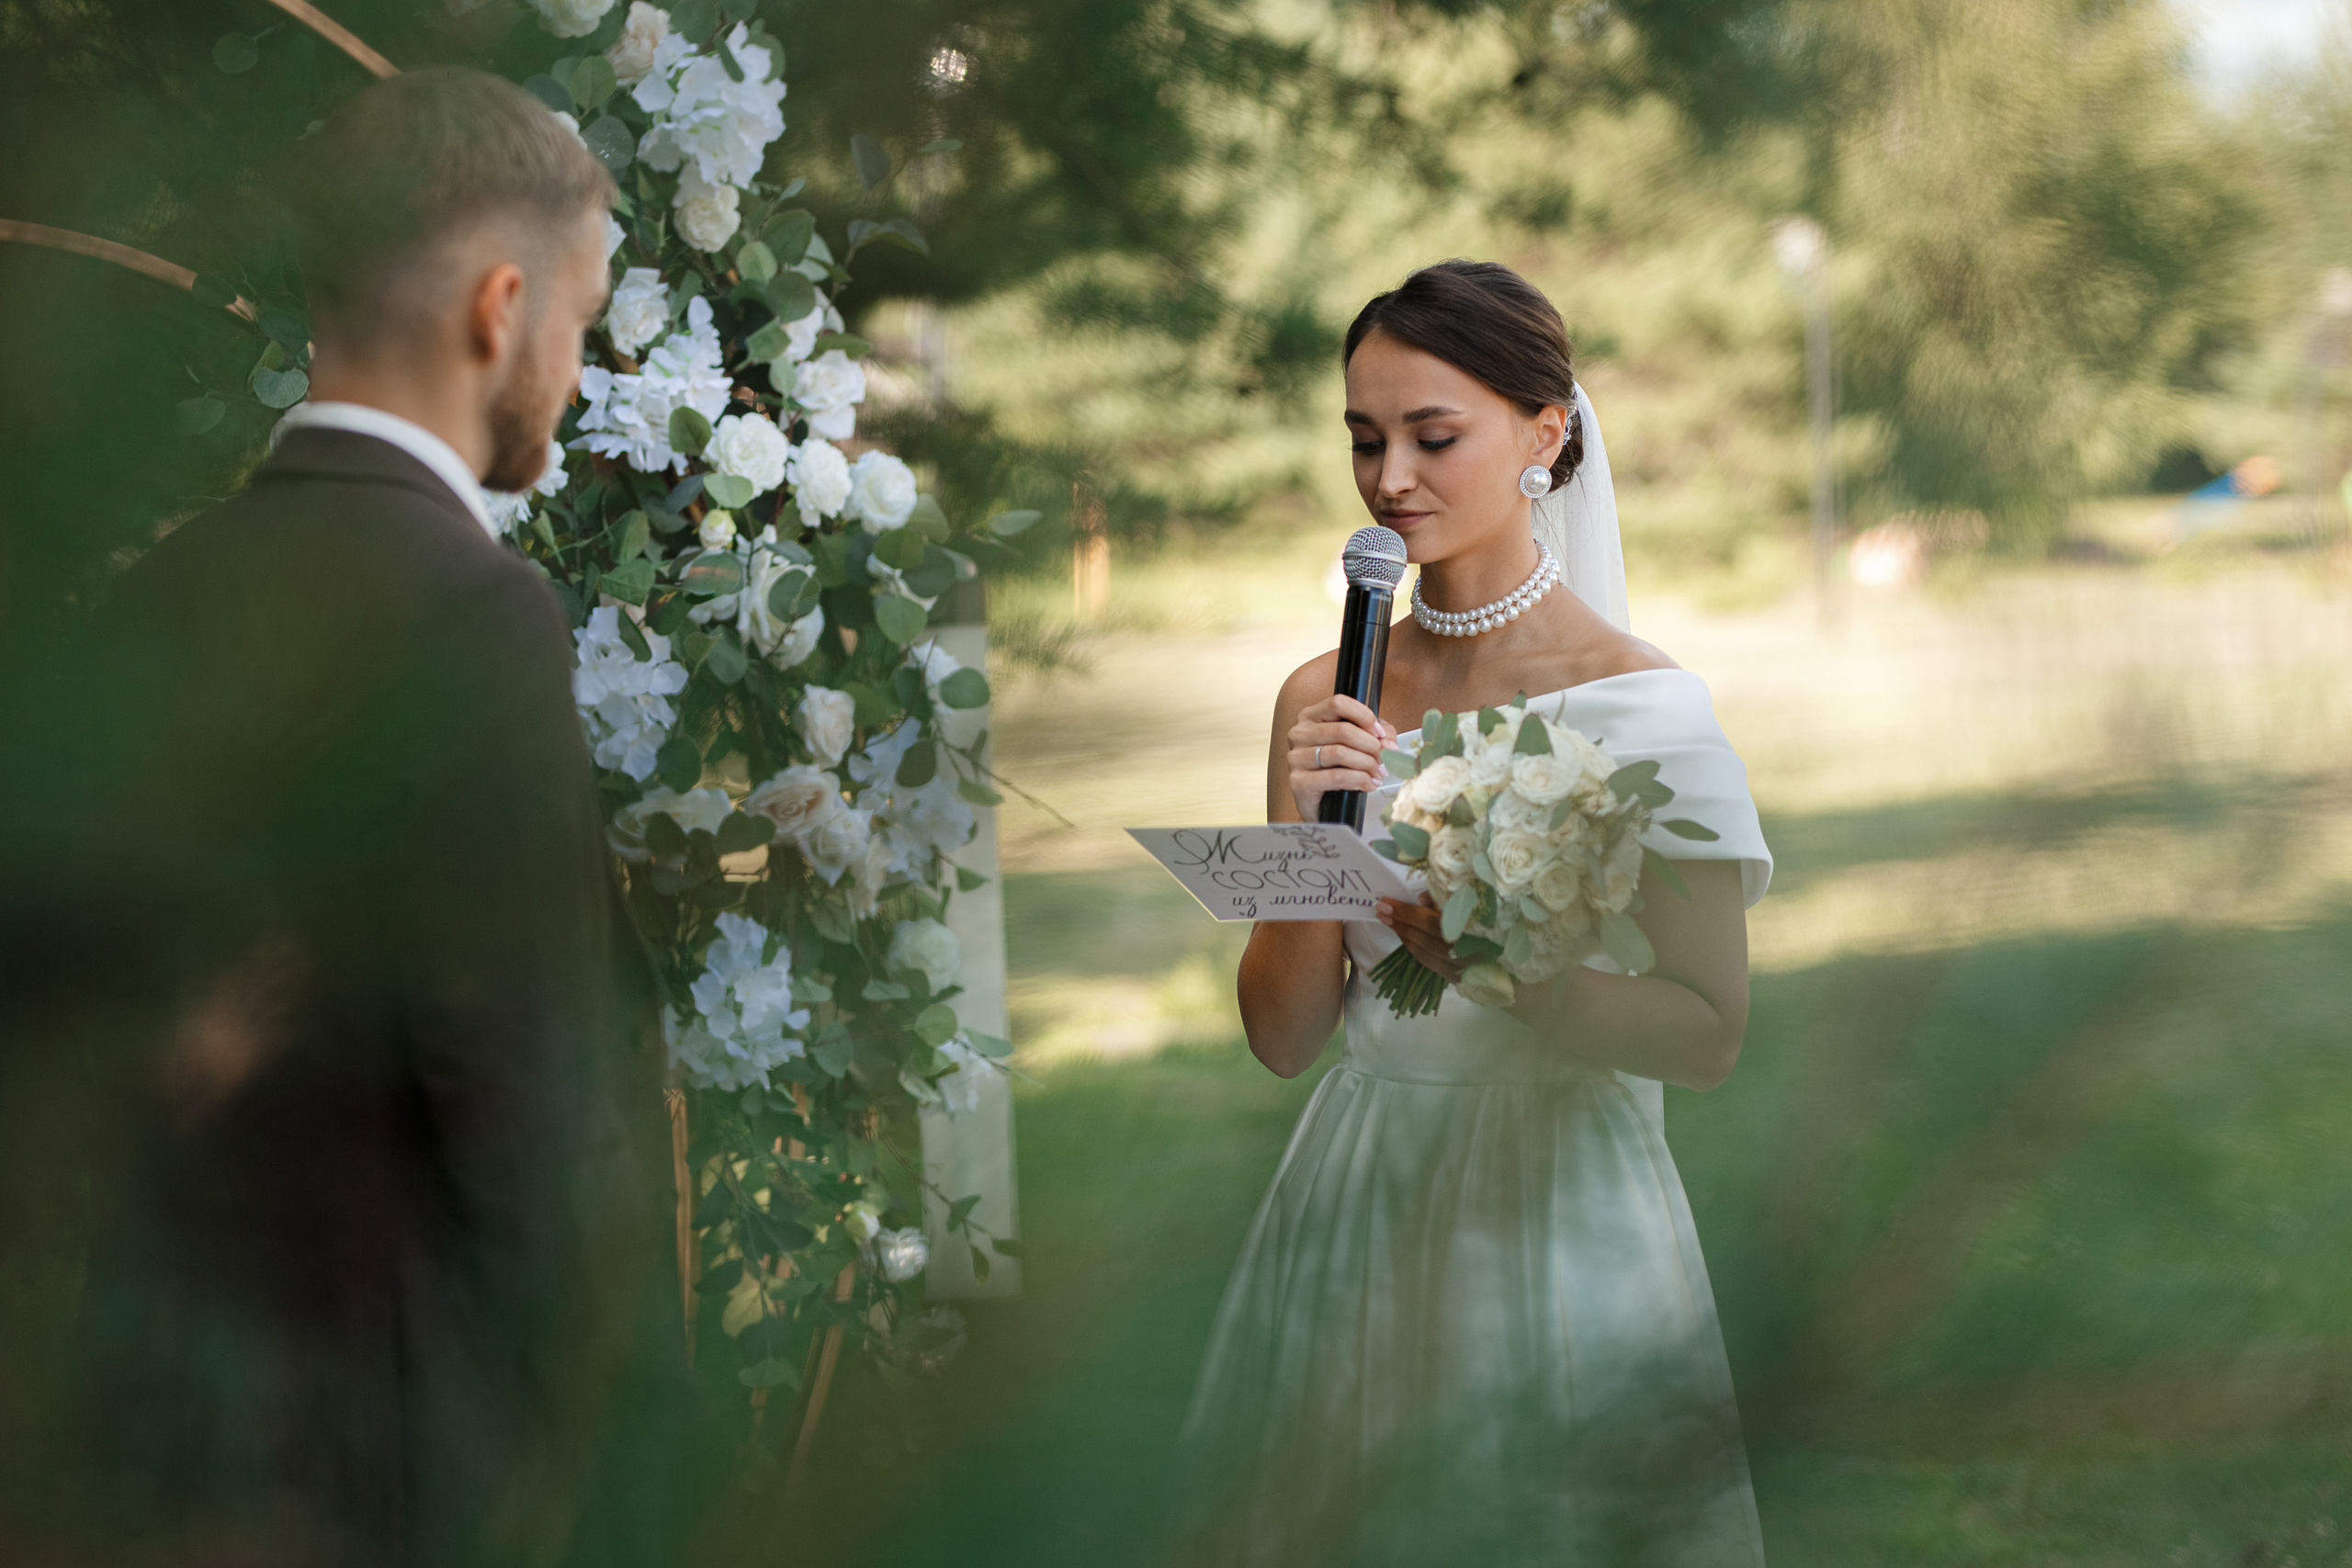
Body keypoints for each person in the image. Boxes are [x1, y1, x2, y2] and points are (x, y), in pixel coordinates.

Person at [25, 69, 692, 1568]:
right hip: (401, 1464)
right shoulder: (471, 614)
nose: (576, 373)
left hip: (157, 1454)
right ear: (499, 309)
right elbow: (519, 1106)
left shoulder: (152, 598)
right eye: (579, 324)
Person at [1175, 261, 1774, 1565]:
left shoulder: (1644, 709)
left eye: (1433, 436)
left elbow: (1710, 1034)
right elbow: (1285, 1040)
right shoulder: (1320, 695)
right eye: (1365, 440)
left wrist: (1503, 971)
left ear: (1544, 437)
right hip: (1362, 1178)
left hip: (1563, 1192)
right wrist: (1303, 828)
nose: (1391, 477)